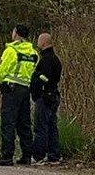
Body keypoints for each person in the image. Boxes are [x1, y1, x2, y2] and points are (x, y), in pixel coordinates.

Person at [0, 24, 39, 166]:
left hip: (11, 89)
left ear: (16, 33)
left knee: (8, 123)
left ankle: (6, 155)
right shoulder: (34, 53)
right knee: (24, 123)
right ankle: (27, 155)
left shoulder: (11, 50)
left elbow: (1, 71)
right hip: (25, 89)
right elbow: (34, 71)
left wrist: (0, 80)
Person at [31, 32, 63, 166]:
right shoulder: (56, 59)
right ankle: (54, 155)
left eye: (39, 41)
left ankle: (38, 156)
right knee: (52, 127)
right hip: (54, 95)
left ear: (44, 42)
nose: (37, 43)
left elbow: (43, 78)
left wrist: (35, 87)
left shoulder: (46, 60)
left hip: (45, 96)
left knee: (41, 127)